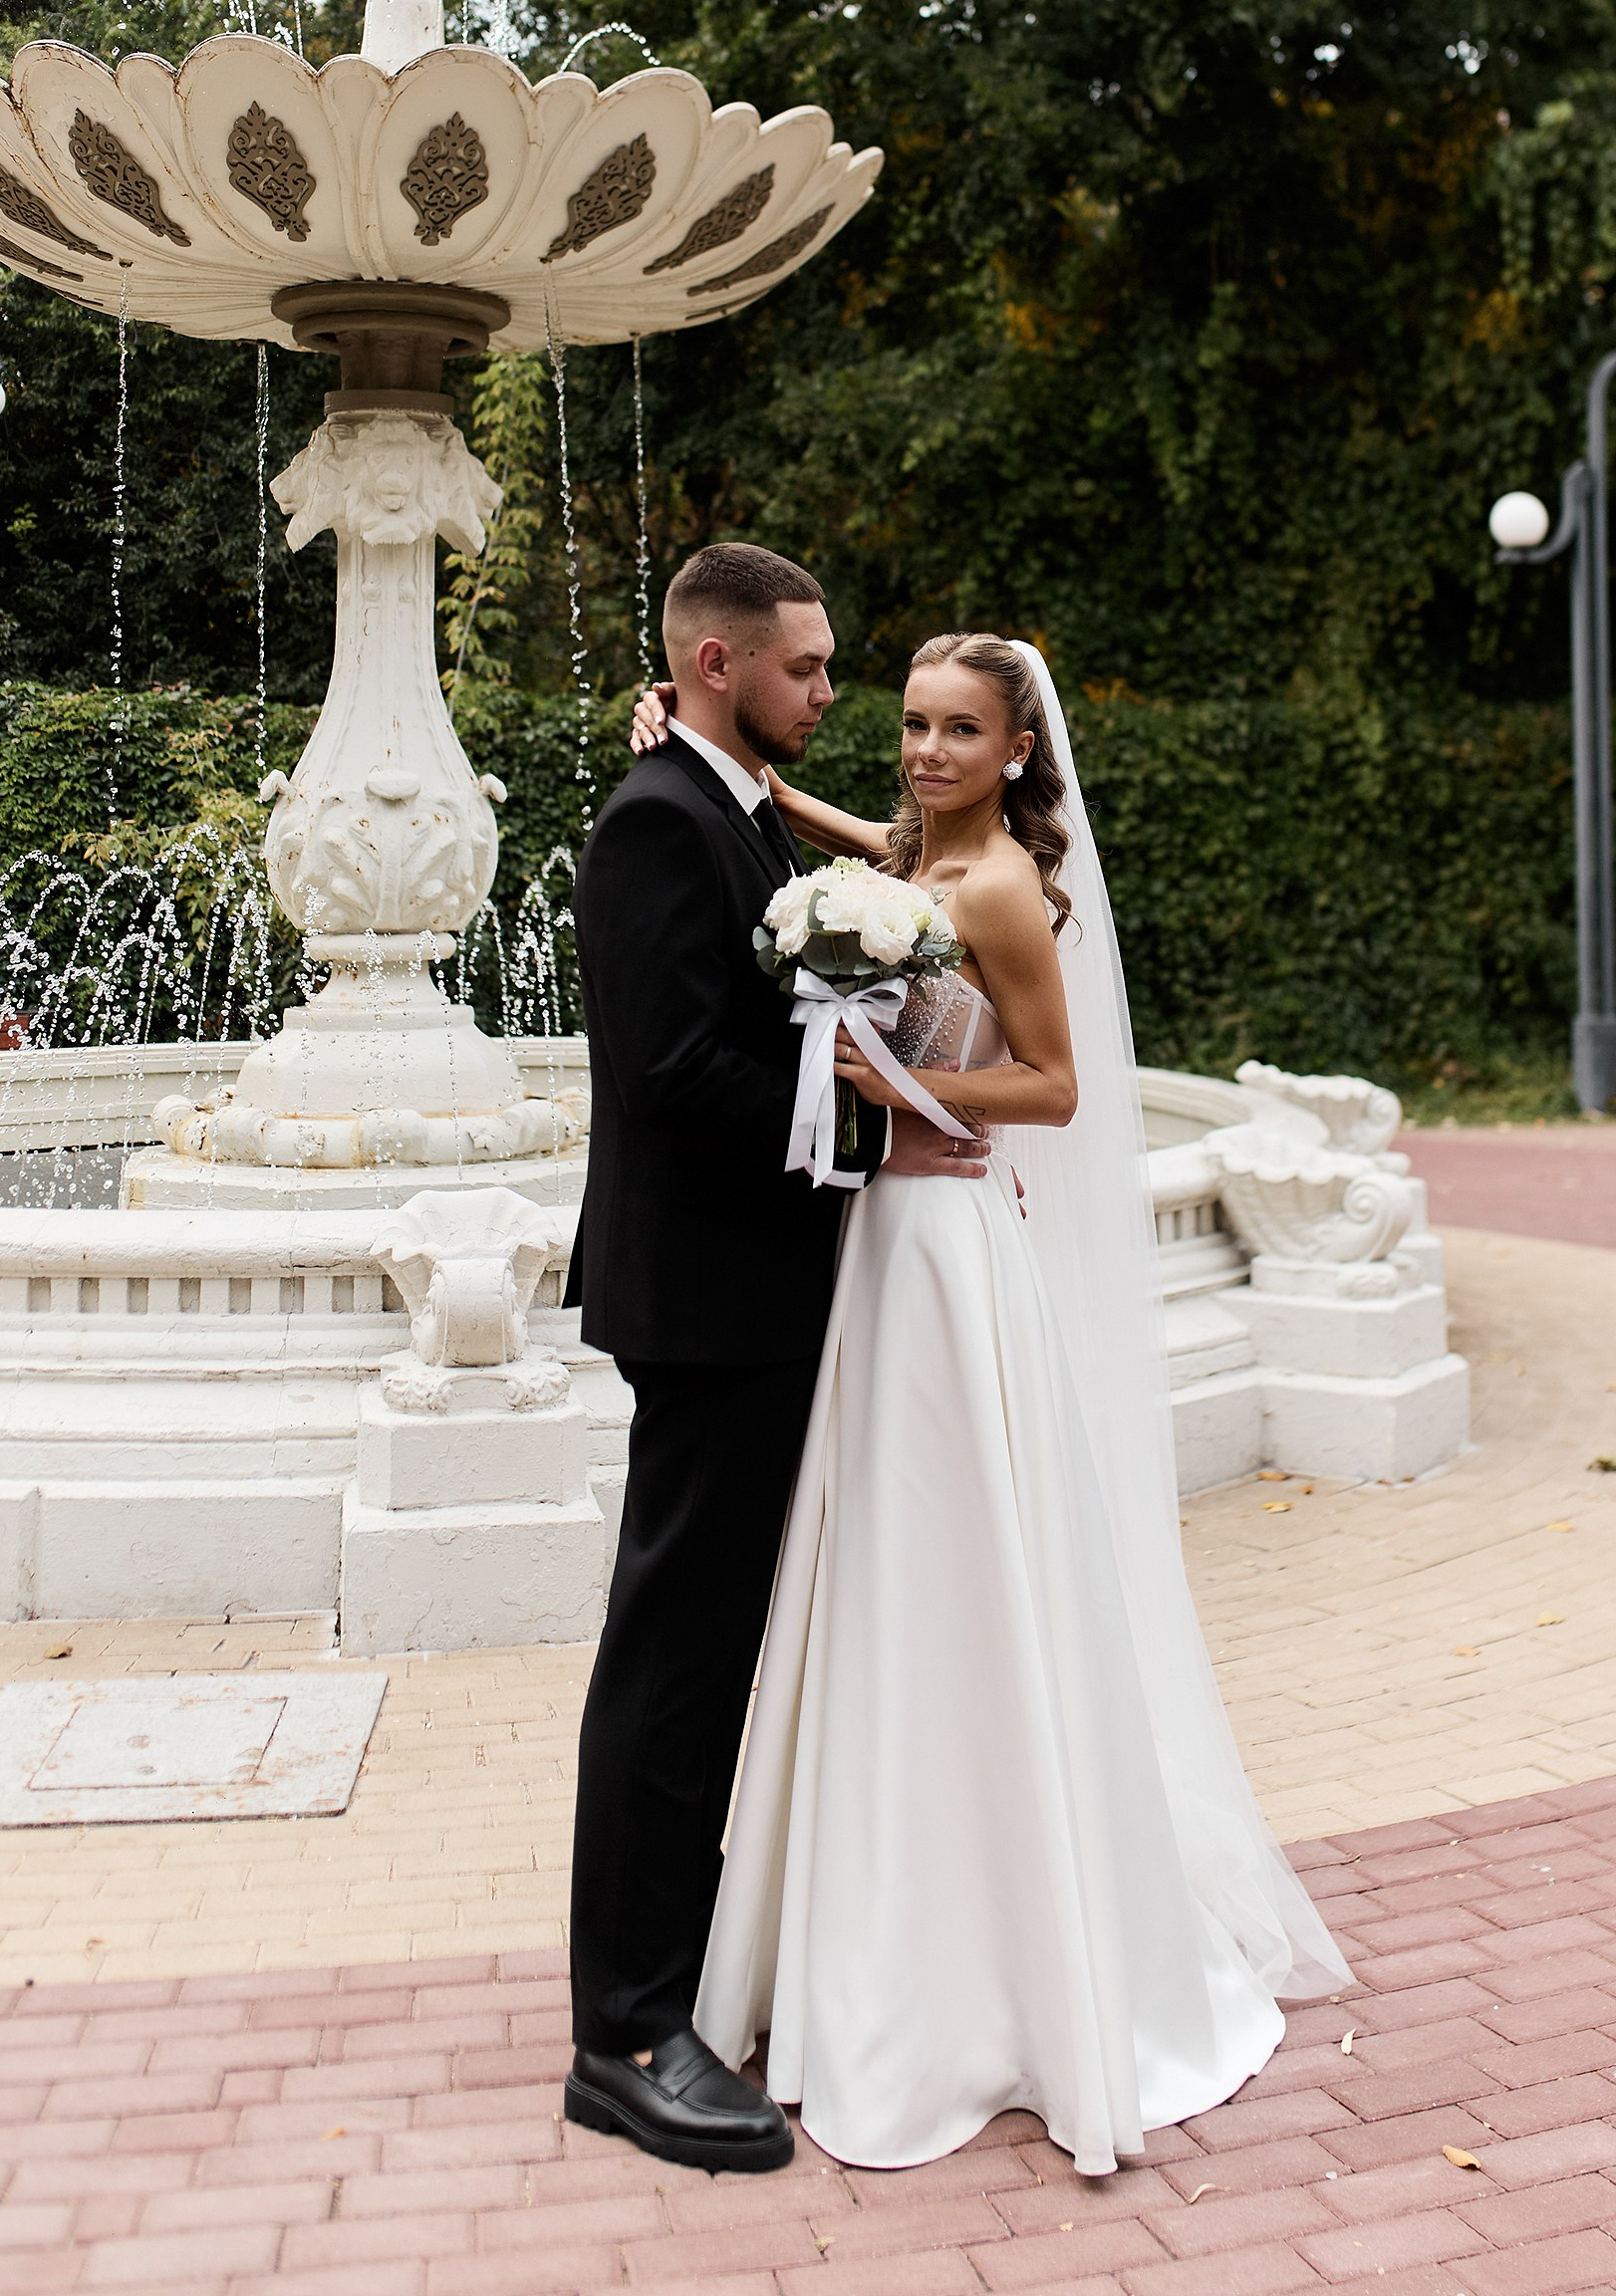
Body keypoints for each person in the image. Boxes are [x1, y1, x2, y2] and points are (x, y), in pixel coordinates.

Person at [642, 628, 1348, 2175]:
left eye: (960, 731)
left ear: (1017, 752)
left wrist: (899, 1092)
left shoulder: (1008, 889)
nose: (925, 750)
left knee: (961, 1559)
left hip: (952, 1243)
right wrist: (760, 781)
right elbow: (878, 858)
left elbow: (1056, 1086)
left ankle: (1001, 1957)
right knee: (872, 1563)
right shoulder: (905, 867)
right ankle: (861, 1923)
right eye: (912, 723)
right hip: (877, 1252)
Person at [562, 545, 990, 2177]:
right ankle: (624, 2038)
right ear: (719, 664)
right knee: (672, 1658)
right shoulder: (657, 823)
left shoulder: (727, 807)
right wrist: (879, 1145)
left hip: (754, 1295)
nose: (830, 691)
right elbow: (676, 1072)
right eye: (805, 667)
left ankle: (680, 1974)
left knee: (716, 1648)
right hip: (707, 1305)